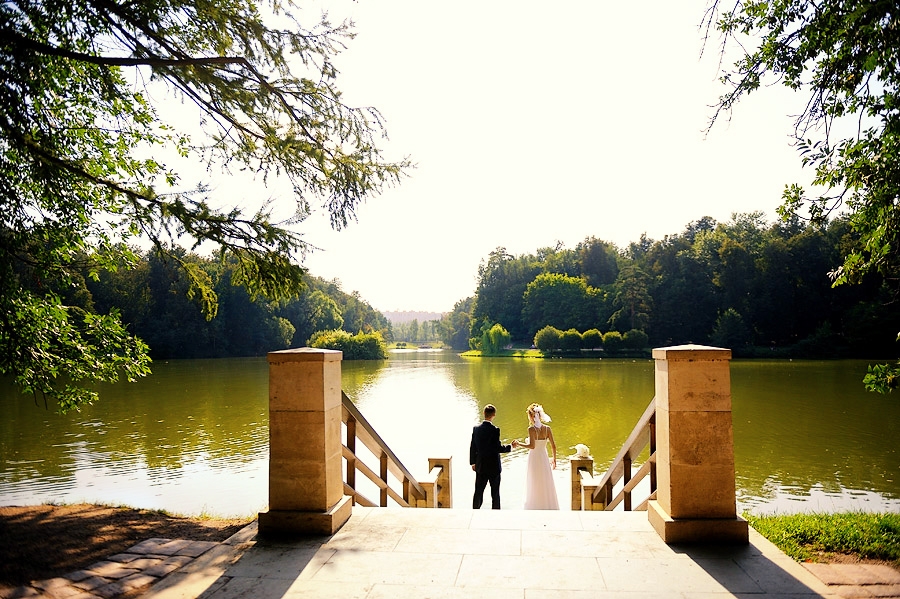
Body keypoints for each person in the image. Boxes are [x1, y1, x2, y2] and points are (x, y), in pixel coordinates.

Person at [470, 404, 518, 509]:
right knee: (495, 494)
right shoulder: (495, 430)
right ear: (494, 415)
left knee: (478, 492)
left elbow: (473, 447)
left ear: (484, 413)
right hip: (494, 467)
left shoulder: (476, 429)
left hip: (481, 466)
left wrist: (473, 462)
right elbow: (498, 448)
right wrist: (510, 447)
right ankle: (496, 514)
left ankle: (474, 512)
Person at [518, 402, 559, 510]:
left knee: (534, 480)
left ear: (532, 416)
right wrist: (554, 459)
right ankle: (547, 505)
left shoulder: (531, 429)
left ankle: (534, 505)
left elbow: (532, 446)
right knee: (545, 480)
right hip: (543, 456)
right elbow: (553, 446)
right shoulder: (547, 429)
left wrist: (519, 444)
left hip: (534, 458)